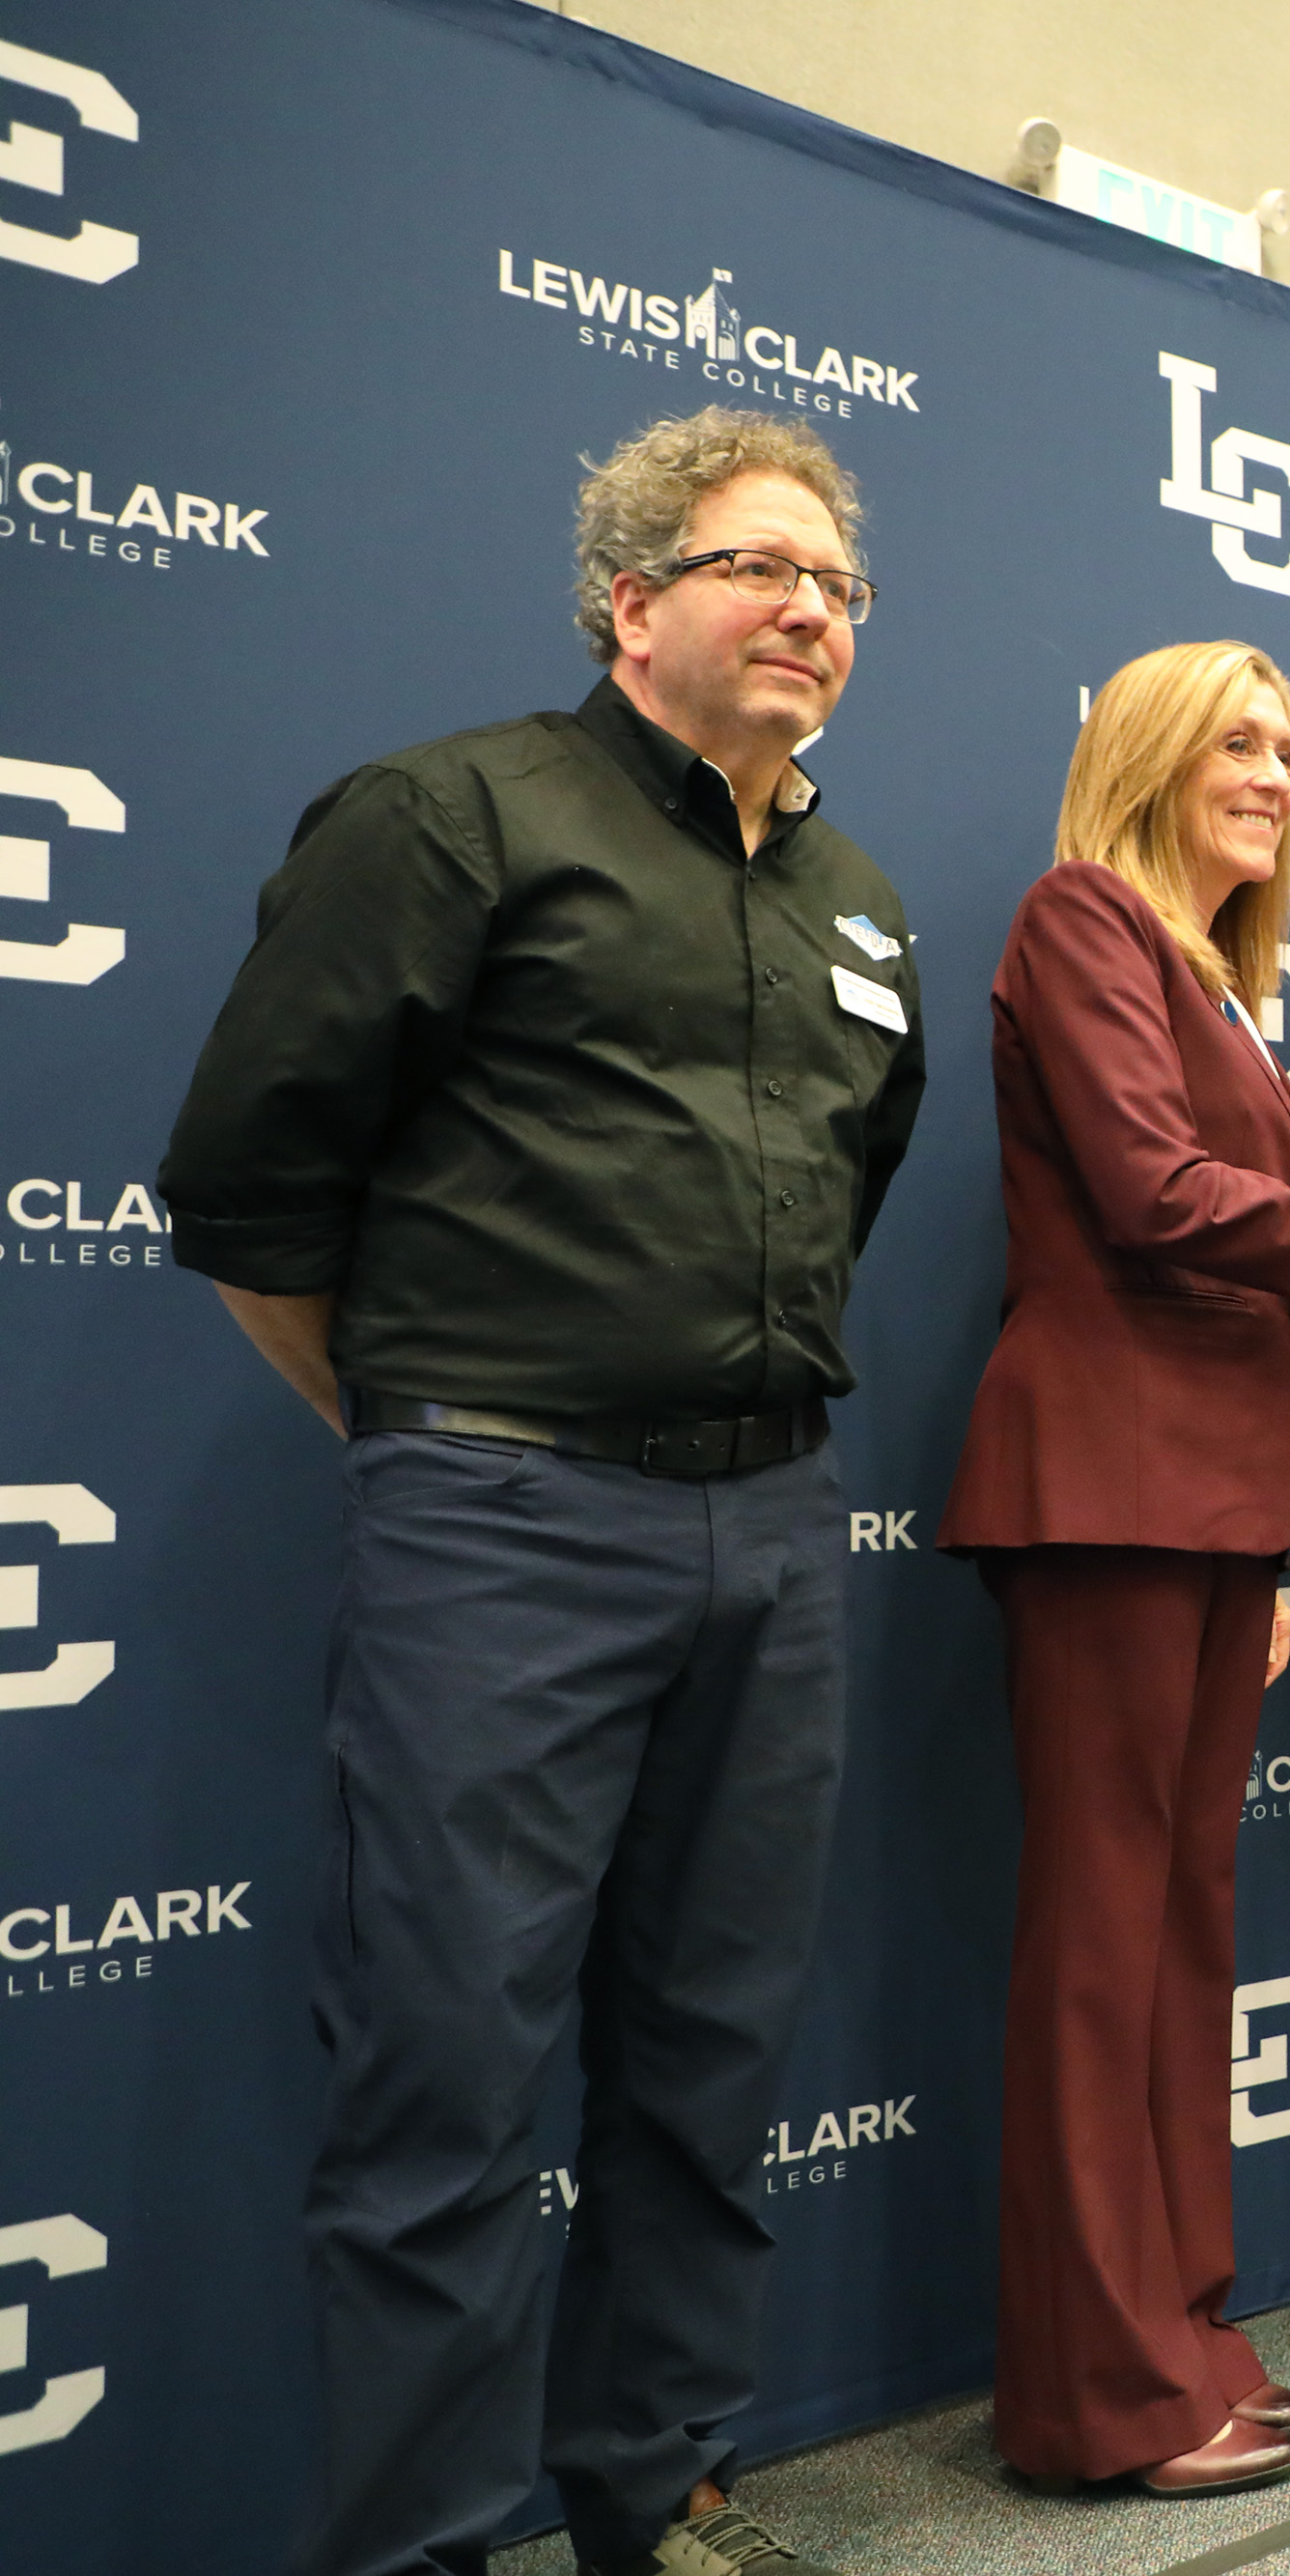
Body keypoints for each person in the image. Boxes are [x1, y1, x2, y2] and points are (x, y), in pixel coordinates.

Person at [158, 410, 916, 2576]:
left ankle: (651, 2490)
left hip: (775, 1532)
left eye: (840, 583)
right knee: (447, 2075)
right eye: (760, 566)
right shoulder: (452, 814)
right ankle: (421, 2546)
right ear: (630, 600)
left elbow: (845, 1194)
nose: (808, 609)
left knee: (711, 2058)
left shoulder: (857, 903)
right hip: (502, 1524)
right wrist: (446, 1427)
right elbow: (254, 1192)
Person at [937, 644, 1290, 2499]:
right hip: (1107, 1493)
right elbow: (1150, 1196)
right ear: (1147, 753)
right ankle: (1097, 2393)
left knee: (1179, 1935)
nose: (1279, 774)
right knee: (1102, 1944)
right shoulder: (1084, 918)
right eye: (1239, 739)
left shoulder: (1220, 980)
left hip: (1211, 1511)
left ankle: (1183, 2329)